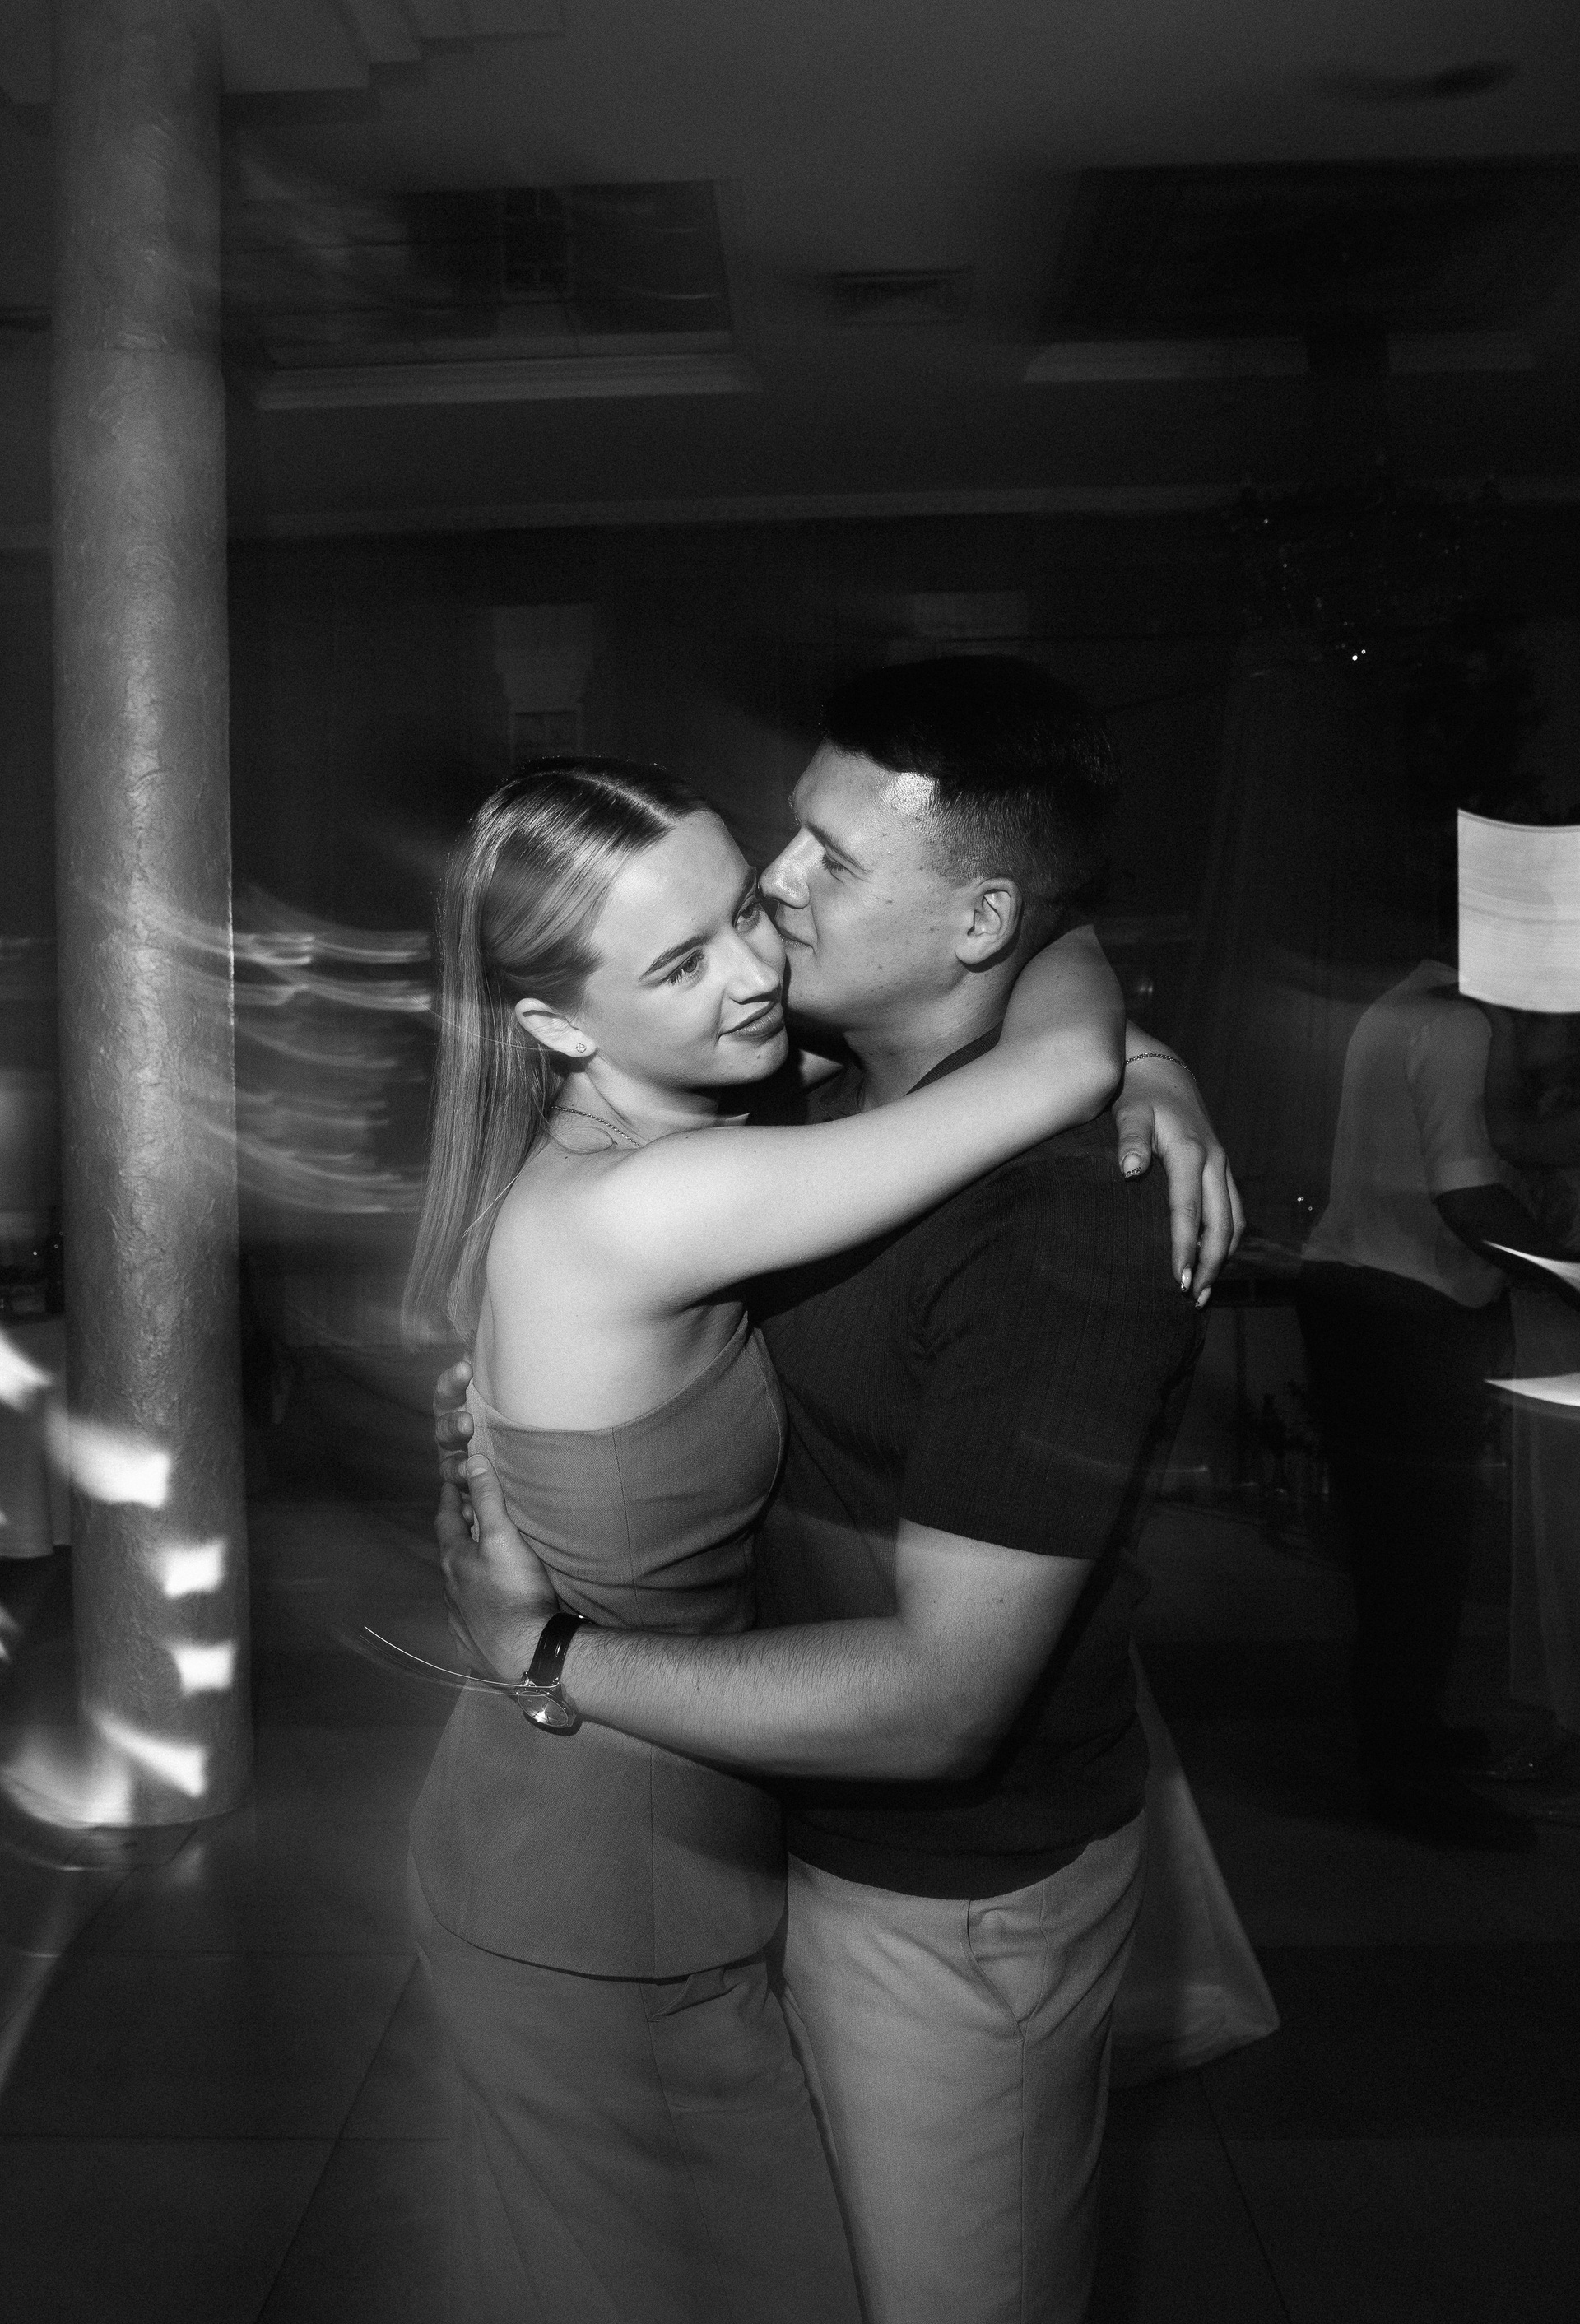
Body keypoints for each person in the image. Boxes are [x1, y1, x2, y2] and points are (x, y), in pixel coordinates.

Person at [435, 658, 1240, 2324]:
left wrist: (1138, 1056)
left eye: (783, 882)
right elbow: (1044, 1050)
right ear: (562, 1022)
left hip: (856, 1866)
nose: (769, 935)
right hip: (618, 1859)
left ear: (977, 920)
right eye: (692, 948)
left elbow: (946, 1696)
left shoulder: (906, 1157)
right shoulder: (697, 1162)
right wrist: (1108, 1028)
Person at [1296, 955, 1561, 1852]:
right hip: (1405, 1312)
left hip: (1361, 1295)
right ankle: (1409, 1782)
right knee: (1419, 1561)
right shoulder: (1458, 1026)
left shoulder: (1402, 997)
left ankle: (1406, 1738)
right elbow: (1467, 1197)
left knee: (1397, 1556)